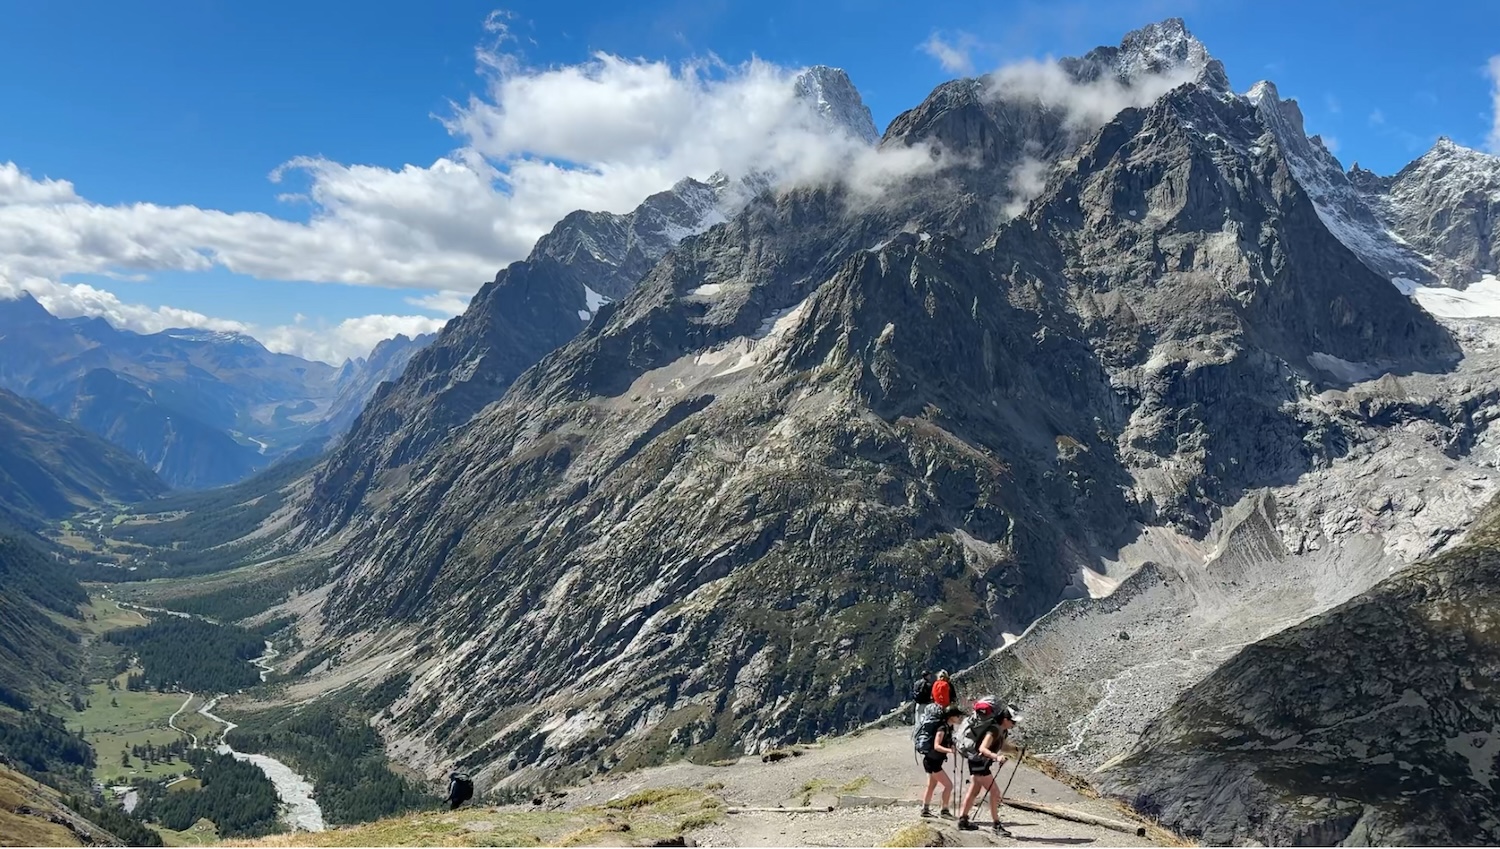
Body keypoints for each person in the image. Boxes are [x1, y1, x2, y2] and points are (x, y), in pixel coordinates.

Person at [957, 698, 1018, 836]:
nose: (1014, 724)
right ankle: (996, 825)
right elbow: (983, 748)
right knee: (995, 793)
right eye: (1013, 721)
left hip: (977, 761)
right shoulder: (993, 730)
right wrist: (997, 757)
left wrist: (1015, 750)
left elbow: (1001, 746)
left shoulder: (1002, 730)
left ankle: (963, 820)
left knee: (974, 791)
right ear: (1005, 719)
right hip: (979, 762)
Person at [919, 705, 964, 819]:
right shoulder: (942, 728)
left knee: (931, 786)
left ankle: (925, 810)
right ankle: (944, 811)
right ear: (951, 717)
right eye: (957, 716)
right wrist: (950, 750)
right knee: (949, 785)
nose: (959, 718)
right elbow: (937, 746)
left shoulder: (948, 728)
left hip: (932, 761)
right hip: (933, 762)